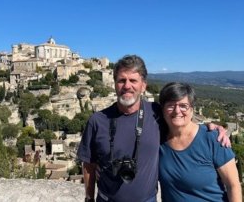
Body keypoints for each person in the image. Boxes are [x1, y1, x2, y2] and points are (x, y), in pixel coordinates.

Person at [77, 55, 230, 202]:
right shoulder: (97, 121)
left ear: (143, 85)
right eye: (121, 80)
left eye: (133, 80)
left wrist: (210, 127)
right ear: (114, 84)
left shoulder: (156, 112)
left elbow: (181, 121)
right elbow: (88, 164)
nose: (127, 86)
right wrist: (89, 198)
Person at [158, 82, 241, 202]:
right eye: (170, 105)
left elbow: (233, 185)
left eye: (183, 106)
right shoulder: (158, 139)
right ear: (163, 109)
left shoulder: (213, 139)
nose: (177, 111)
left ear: (192, 109)